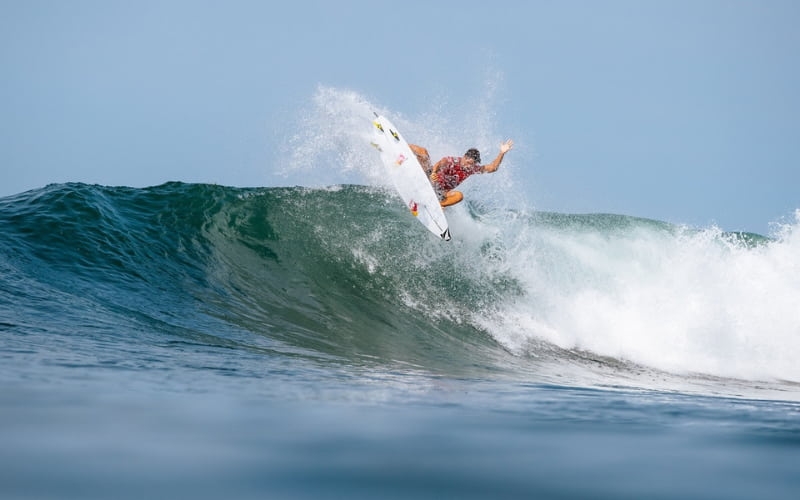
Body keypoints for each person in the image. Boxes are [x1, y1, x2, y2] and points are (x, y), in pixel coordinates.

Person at [409, 140, 514, 207]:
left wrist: (502, 153)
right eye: (469, 163)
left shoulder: (471, 169)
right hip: (429, 178)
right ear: (464, 157)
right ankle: (400, 144)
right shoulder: (453, 161)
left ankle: (438, 205)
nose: (470, 166)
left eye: (473, 164)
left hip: (440, 192)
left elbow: (492, 168)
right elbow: (440, 163)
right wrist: (434, 173)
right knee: (423, 152)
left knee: (459, 196)